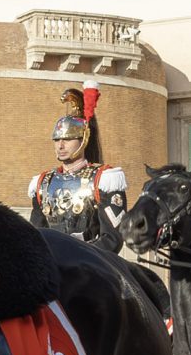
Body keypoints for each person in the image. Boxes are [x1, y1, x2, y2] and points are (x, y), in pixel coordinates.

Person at [27, 81, 126, 241]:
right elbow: (36, 234)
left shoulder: (104, 180)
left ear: (84, 140)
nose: (61, 145)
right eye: (57, 139)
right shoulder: (43, 183)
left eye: (68, 139)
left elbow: (111, 239)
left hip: (88, 260)